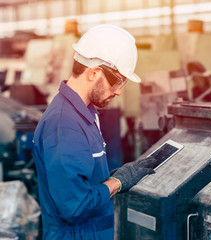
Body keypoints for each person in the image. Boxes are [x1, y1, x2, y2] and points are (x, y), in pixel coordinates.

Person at [32, 24, 157, 239]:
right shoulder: (65, 124)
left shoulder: (84, 114)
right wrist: (118, 182)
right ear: (94, 73)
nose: (118, 91)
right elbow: (75, 206)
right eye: (116, 81)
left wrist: (111, 178)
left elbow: (79, 180)